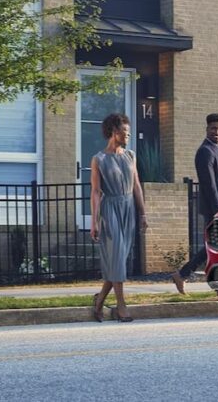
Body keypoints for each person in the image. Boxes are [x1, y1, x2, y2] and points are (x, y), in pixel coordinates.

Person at [90, 113, 148, 322]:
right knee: (116, 258)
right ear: (114, 132)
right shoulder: (99, 159)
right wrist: (94, 221)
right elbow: (96, 192)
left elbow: (136, 186)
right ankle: (121, 306)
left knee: (119, 260)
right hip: (110, 209)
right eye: (125, 132)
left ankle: (99, 301)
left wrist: (142, 213)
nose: (128, 135)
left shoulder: (130, 155)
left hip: (128, 209)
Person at [172, 113, 218, 294]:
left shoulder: (217, 150)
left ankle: (186, 274)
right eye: (213, 128)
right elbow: (209, 185)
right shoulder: (205, 152)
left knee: (217, 247)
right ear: (207, 129)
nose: (217, 132)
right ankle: (216, 284)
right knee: (215, 247)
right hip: (215, 209)